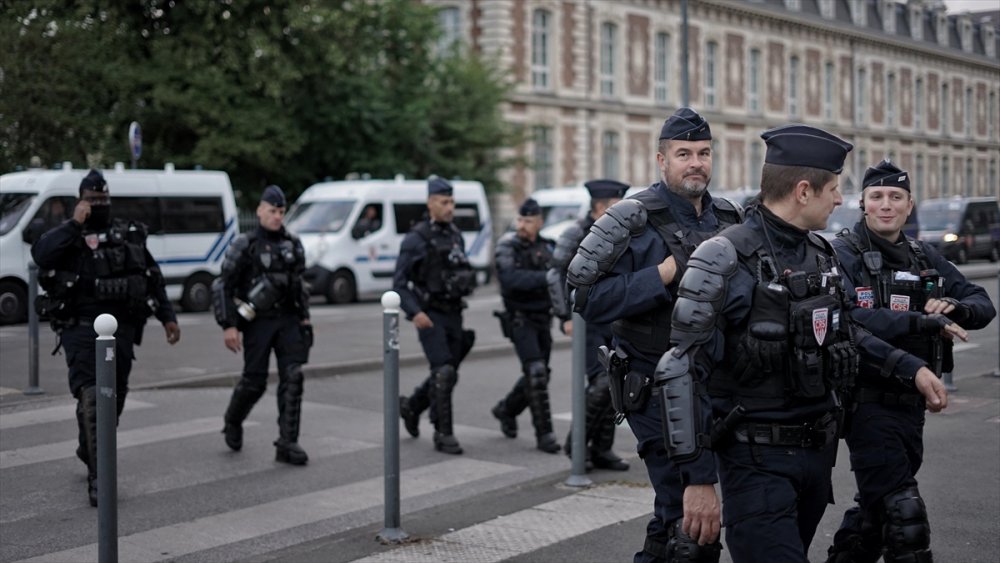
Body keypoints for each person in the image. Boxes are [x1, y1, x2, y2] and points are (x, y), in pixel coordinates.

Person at [660, 125, 949, 563]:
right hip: (756, 462)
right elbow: (681, 366)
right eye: (833, 189)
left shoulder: (822, 252)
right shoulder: (723, 258)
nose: (839, 199)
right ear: (802, 191)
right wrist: (697, 480)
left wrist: (913, 369)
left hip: (815, 459)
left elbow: (847, 327)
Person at [567, 108, 742, 562]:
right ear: (662, 160)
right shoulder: (630, 219)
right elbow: (585, 298)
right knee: (691, 519)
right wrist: (660, 275)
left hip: (716, 385)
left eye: (703, 153)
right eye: (684, 153)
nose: (696, 163)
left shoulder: (728, 216)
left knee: (675, 513)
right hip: (653, 384)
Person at [825, 160, 996, 562]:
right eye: (877, 197)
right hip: (865, 401)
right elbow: (849, 318)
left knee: (874, 516)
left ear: (909, 205)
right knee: (905, 516)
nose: (887, 205)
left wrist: (953, 307)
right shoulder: (843, 254)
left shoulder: (923, 256)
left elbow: (982, 303)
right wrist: (921, 320)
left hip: (911, 404)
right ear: (862, 204)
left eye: (896, 197)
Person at [31, 168, 181, 506]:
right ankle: (101, 480)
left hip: (123, 329)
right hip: (81, 328)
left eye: (103, 199)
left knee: (114, 400)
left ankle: (89, 447)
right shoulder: (67, 235)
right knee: (95, 399)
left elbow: (151, 276)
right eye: (92, 199)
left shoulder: (125, 233)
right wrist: (74, 224)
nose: (98, 205)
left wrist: (168, 317)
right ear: (80, 200)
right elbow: (40, 255)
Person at [212, 185, 313, 466]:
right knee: (254, 381)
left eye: (281, 212)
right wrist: (228, 325)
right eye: (272, 211)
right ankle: (233, 420)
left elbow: (300, 286)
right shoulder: (245, 244)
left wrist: (305, 318)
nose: (277, 216)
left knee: (293, 377)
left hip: (289, 320)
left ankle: (287, 442)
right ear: (259, 211)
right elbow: (222, 285)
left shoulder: (293, 244)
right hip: (258, 323)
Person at [547, 179, 630, 471]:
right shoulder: (576, 233)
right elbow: (555, 275)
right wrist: (565, 316)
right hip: (587, 320)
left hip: (615, 318)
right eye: (616, 204)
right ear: (600, 207)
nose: (622, 208)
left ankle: (602, 449)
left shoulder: (622, 232)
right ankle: (577, 444)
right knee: (599, 383)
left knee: (615, 383)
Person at [396, 177, 477, 455]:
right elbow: (399, 283)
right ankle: (444, 434)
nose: (450, 207)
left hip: (453, 312)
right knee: (443, 371)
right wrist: (414, 312)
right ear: (431, 203)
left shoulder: (455, 234)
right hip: (429, 315)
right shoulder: (415, 238)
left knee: (449, 372)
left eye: (452, 202)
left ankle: (412, 406)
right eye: (444, 202)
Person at [490, 198, 561, 453]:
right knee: (536, 372)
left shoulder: (548, 246)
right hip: (520, 318)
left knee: (541, 374)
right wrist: (546, 278)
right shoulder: (507, 246)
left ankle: (506, 410)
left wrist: (564, 317)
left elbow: (561, 279)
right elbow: (510, 279)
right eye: (520, 219)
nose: (522, 225)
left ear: (539, 223)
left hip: (544, 318)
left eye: (528, 221)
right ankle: (545, 435)